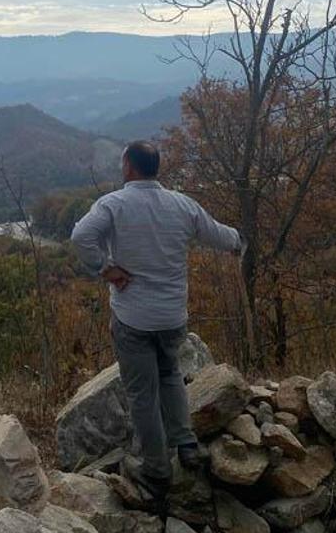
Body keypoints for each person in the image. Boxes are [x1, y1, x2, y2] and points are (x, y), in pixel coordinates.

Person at [70, 139, 242, 499]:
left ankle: (157, 470)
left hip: (133, 317)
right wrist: (240, 241)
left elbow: (81, 236)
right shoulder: (182, 205)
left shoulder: (114, 204)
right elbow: (220, 235)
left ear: (129, 167)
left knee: (142, 395)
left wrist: (106, 269)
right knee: (170, 376)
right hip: (172, 316)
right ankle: (187, 444)